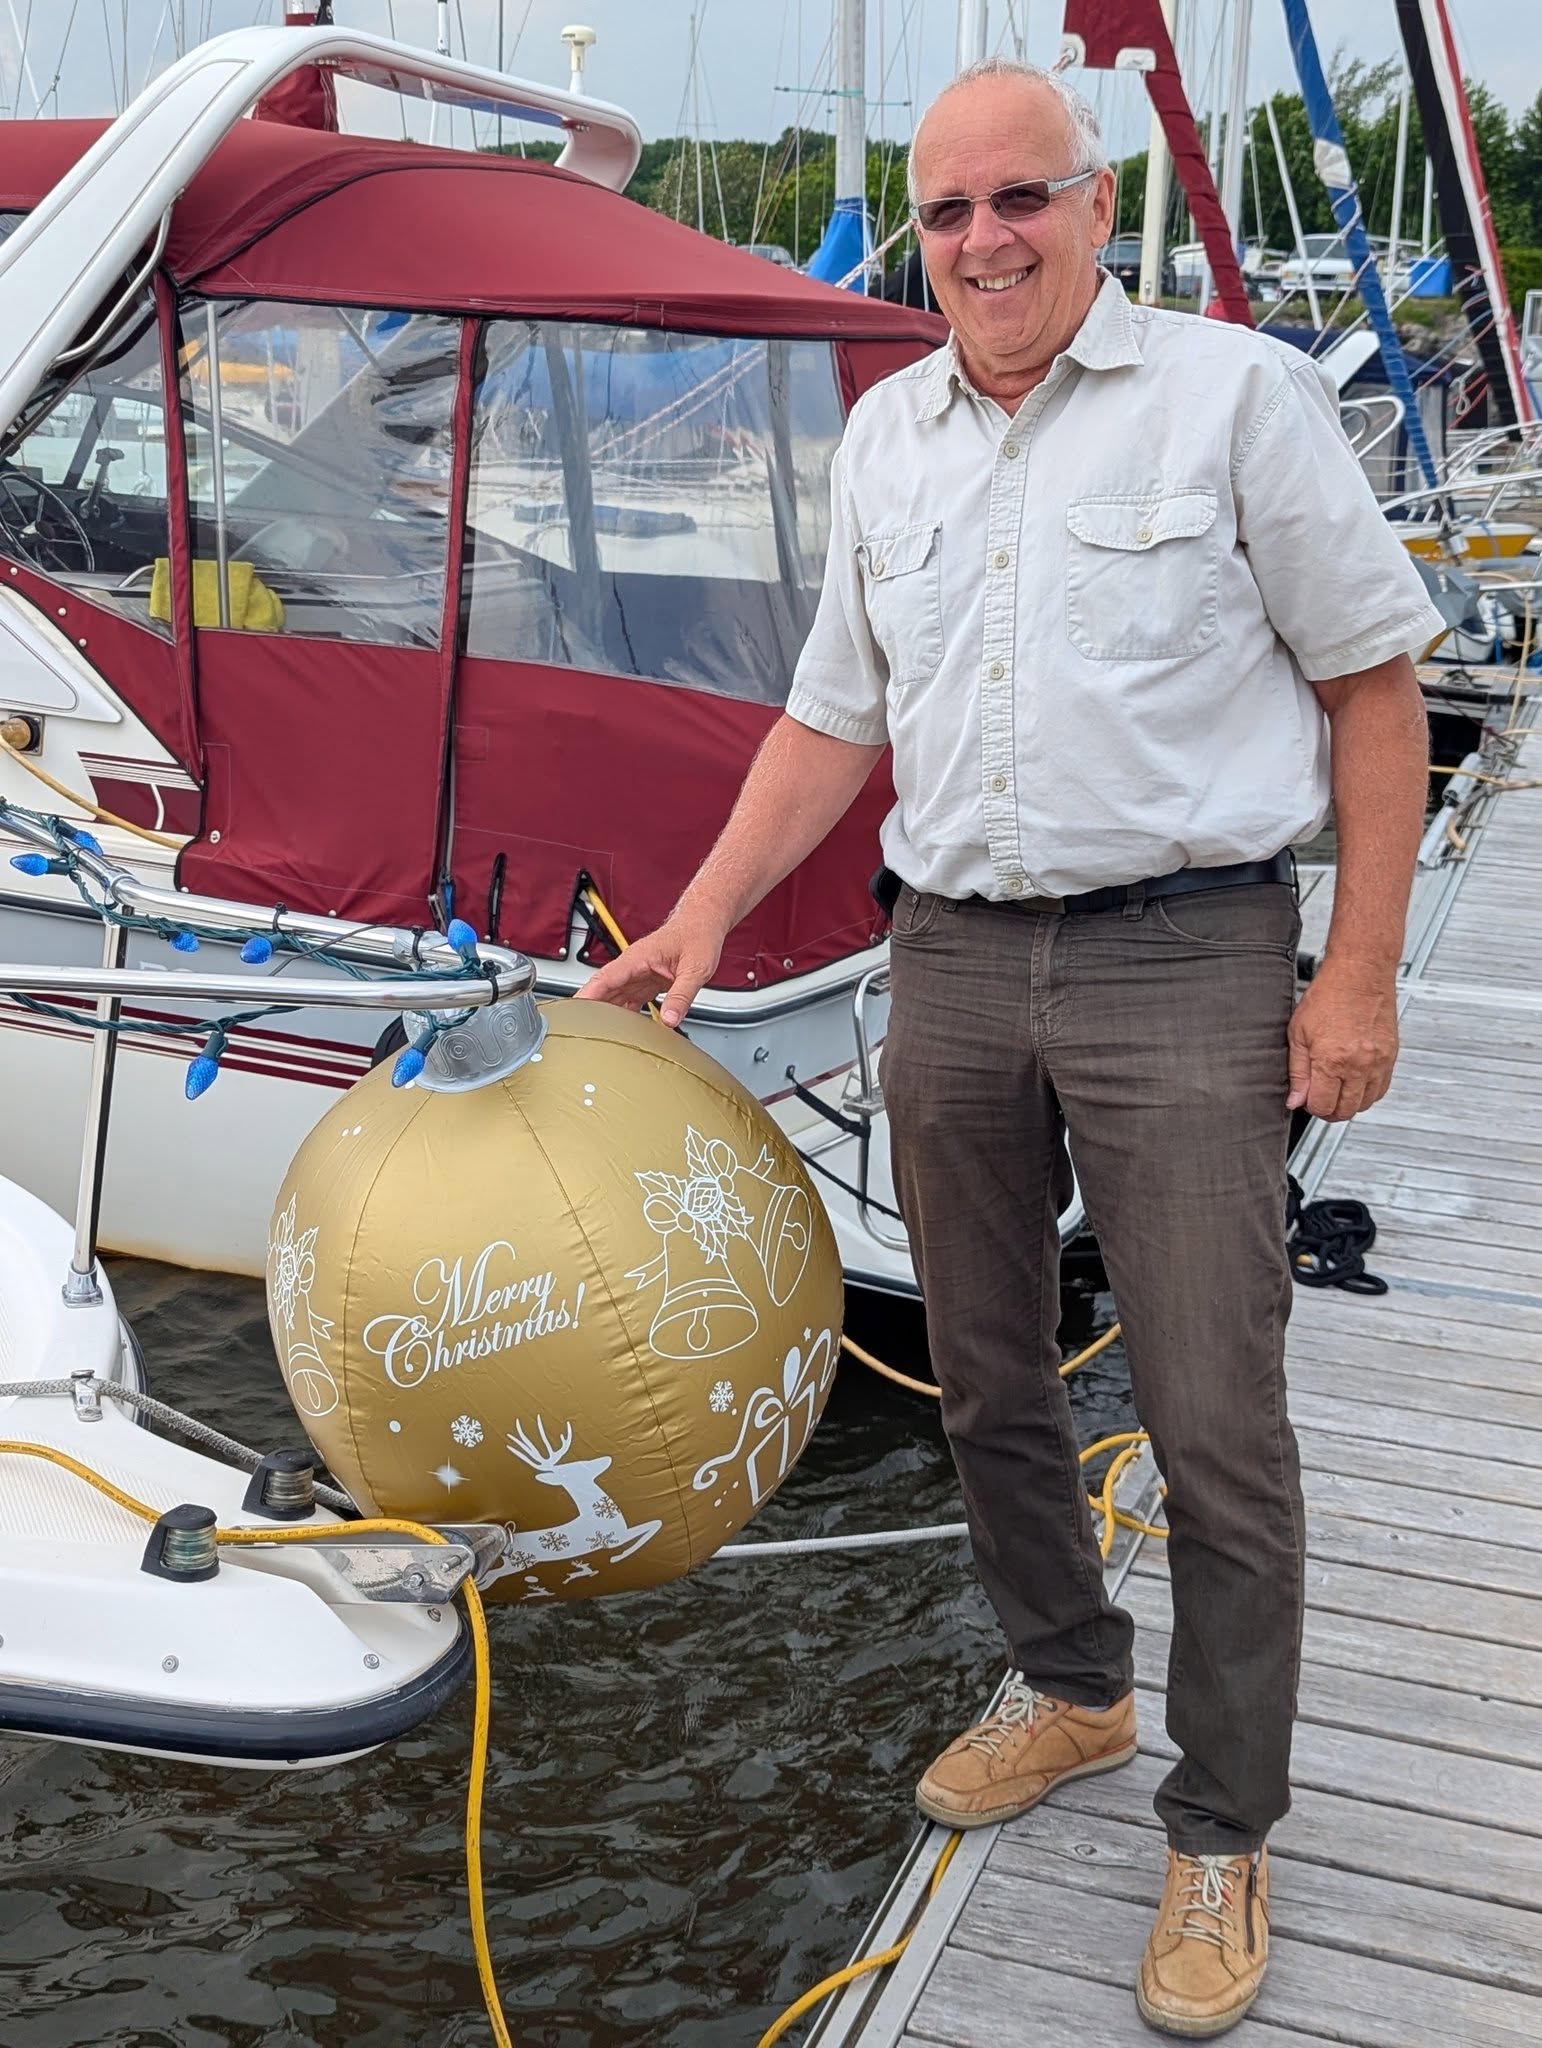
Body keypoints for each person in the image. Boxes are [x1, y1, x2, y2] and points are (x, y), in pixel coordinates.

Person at [579, 58, 1441, 2040]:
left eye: (1019, 198)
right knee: (981, 1374)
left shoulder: (1237, 399)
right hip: (952, 955)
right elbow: (831, 719)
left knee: (1215, 1418)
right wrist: (701, 912)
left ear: (1096, 203)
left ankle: (1222, 1822)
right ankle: (1071, 1684)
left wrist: (1359, 977)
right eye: (949, 210)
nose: (983, 240)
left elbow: (1376, 691)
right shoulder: (889, 434)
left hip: (1186, 955)